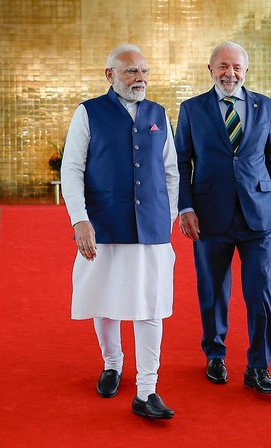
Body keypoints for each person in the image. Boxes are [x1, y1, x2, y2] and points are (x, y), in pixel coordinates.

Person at [61, 44, 179, 419]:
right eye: (131, 72)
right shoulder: (88, 112)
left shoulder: (158, 113)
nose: (140, 78)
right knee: (105, 299)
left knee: (151, 307)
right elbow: (72, 169)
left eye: (144, 71)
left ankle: (147, 390)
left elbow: (171, 171)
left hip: (153, 230)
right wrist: (80, 219)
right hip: (104, 225)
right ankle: (112, 364)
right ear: (110, 75)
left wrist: (168, 215)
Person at [174, 41, 271, 393]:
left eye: (236, 67)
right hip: (209, 216)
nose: (230, 73)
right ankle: (215, 355)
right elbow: (180, 163)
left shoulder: (265, 106)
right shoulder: (191, 109)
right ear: (210, 69)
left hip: (258, 216)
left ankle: (259, 367)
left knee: (260, 293)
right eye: (223, 66)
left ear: (246, 71)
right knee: (213, 291)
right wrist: (185, 207)